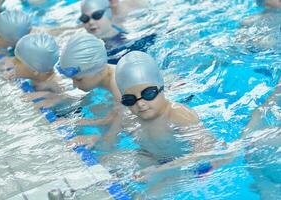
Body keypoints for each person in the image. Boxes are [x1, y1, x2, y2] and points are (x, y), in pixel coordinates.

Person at [68, 51, 231, 187]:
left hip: (193, 168)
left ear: (162, 88)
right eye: (130, 99)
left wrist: (163, 171)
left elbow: (209, 151)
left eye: (148, 94)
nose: (140, 104)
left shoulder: (177, 114)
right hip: (154, 160)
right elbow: (109, 142)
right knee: (101, 166)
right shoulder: (128, 117)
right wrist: (94, 138)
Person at [56, 31, 121, 125]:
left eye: (78, 79)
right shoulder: (102, 75)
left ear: (96, 70)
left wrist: (75, 122)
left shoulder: (117, 83)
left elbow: (118, 121)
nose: (74, 84)